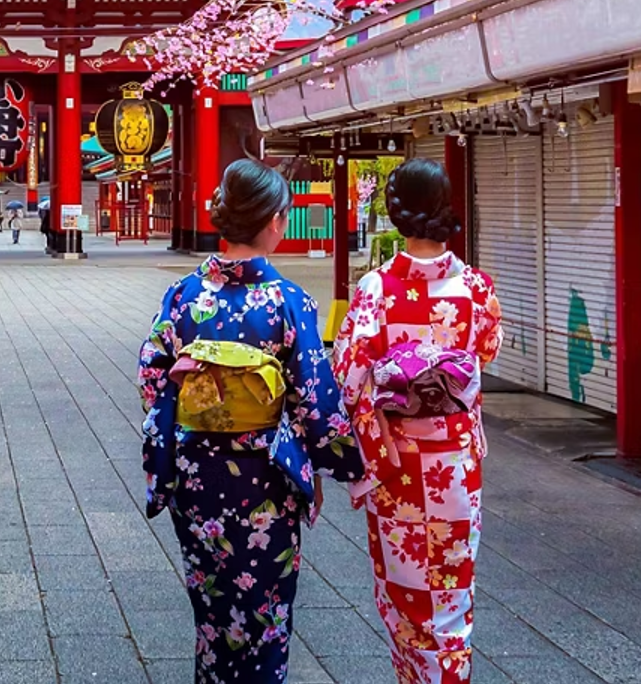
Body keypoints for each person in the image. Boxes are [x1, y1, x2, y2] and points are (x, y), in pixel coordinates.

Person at [138, 159, 365, 683]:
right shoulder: (288, 302)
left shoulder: (183, 296)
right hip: (264, 479)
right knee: (265, 616)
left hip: (196, 476)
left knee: (213, 609)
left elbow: (152, 379)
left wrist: (184, 386)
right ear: (274, 221)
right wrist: (348, 467)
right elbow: (315, 399)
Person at [334, 158, 502, 684]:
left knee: (405, 596)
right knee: (452, 595)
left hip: (399, 463)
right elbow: (487, 352)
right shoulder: (476, 288)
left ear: (395, 211)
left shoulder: (375, 290)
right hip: (454, 464)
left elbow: (347, 373)